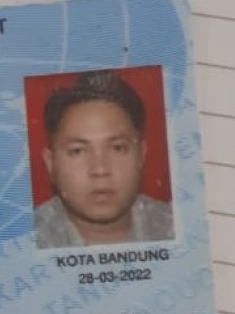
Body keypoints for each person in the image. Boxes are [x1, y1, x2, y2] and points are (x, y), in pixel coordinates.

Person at [34, 69, 174, 248]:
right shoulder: (20, 242)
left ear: (141, 156)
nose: (100, 170)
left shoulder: (178, 227)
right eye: (78, 151)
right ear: (51, 164)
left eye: (118, 148)